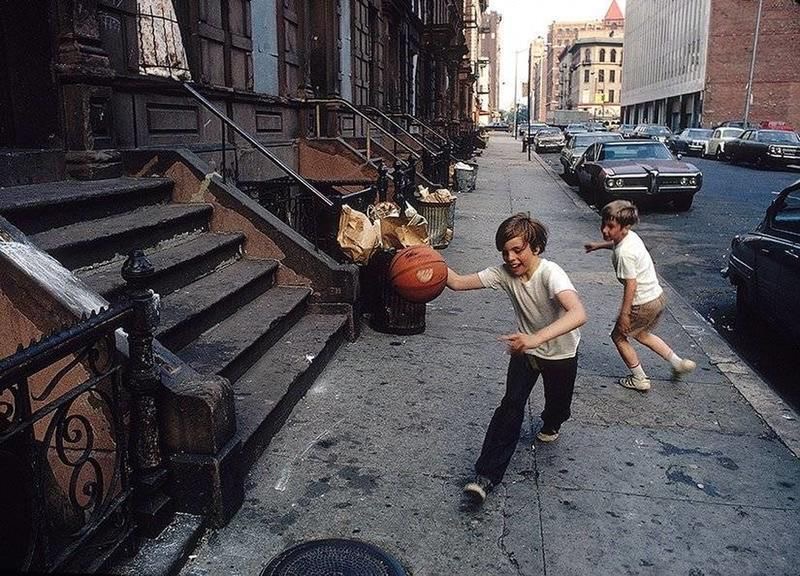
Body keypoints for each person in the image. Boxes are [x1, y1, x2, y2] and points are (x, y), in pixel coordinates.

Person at [447, 213, 587, 504]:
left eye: (517, 250)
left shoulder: (551, 274)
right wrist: (423, 256)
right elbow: (457, 283)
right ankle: (485, 476)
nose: (510, 258)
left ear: (535, 247)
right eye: (505, 252)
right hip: (526, 351)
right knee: (511, 405)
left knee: (558, 407)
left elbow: (578, 313)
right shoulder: (503, 273)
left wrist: (536, 338)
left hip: (560, 353)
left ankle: (552, 422)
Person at [584, 200, 696, 392]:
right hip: (656, 297)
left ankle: (639, 378)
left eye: (610, 226)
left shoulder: (624, 254)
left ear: (625, 226)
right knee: (642, 334)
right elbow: (616, 243)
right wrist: (599, 246)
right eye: (603, 224)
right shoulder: (630, 237)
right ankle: (678, 363)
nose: (604, 230)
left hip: (642, 302)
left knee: (618, 336)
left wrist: (624, 314)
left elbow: (631, 285)